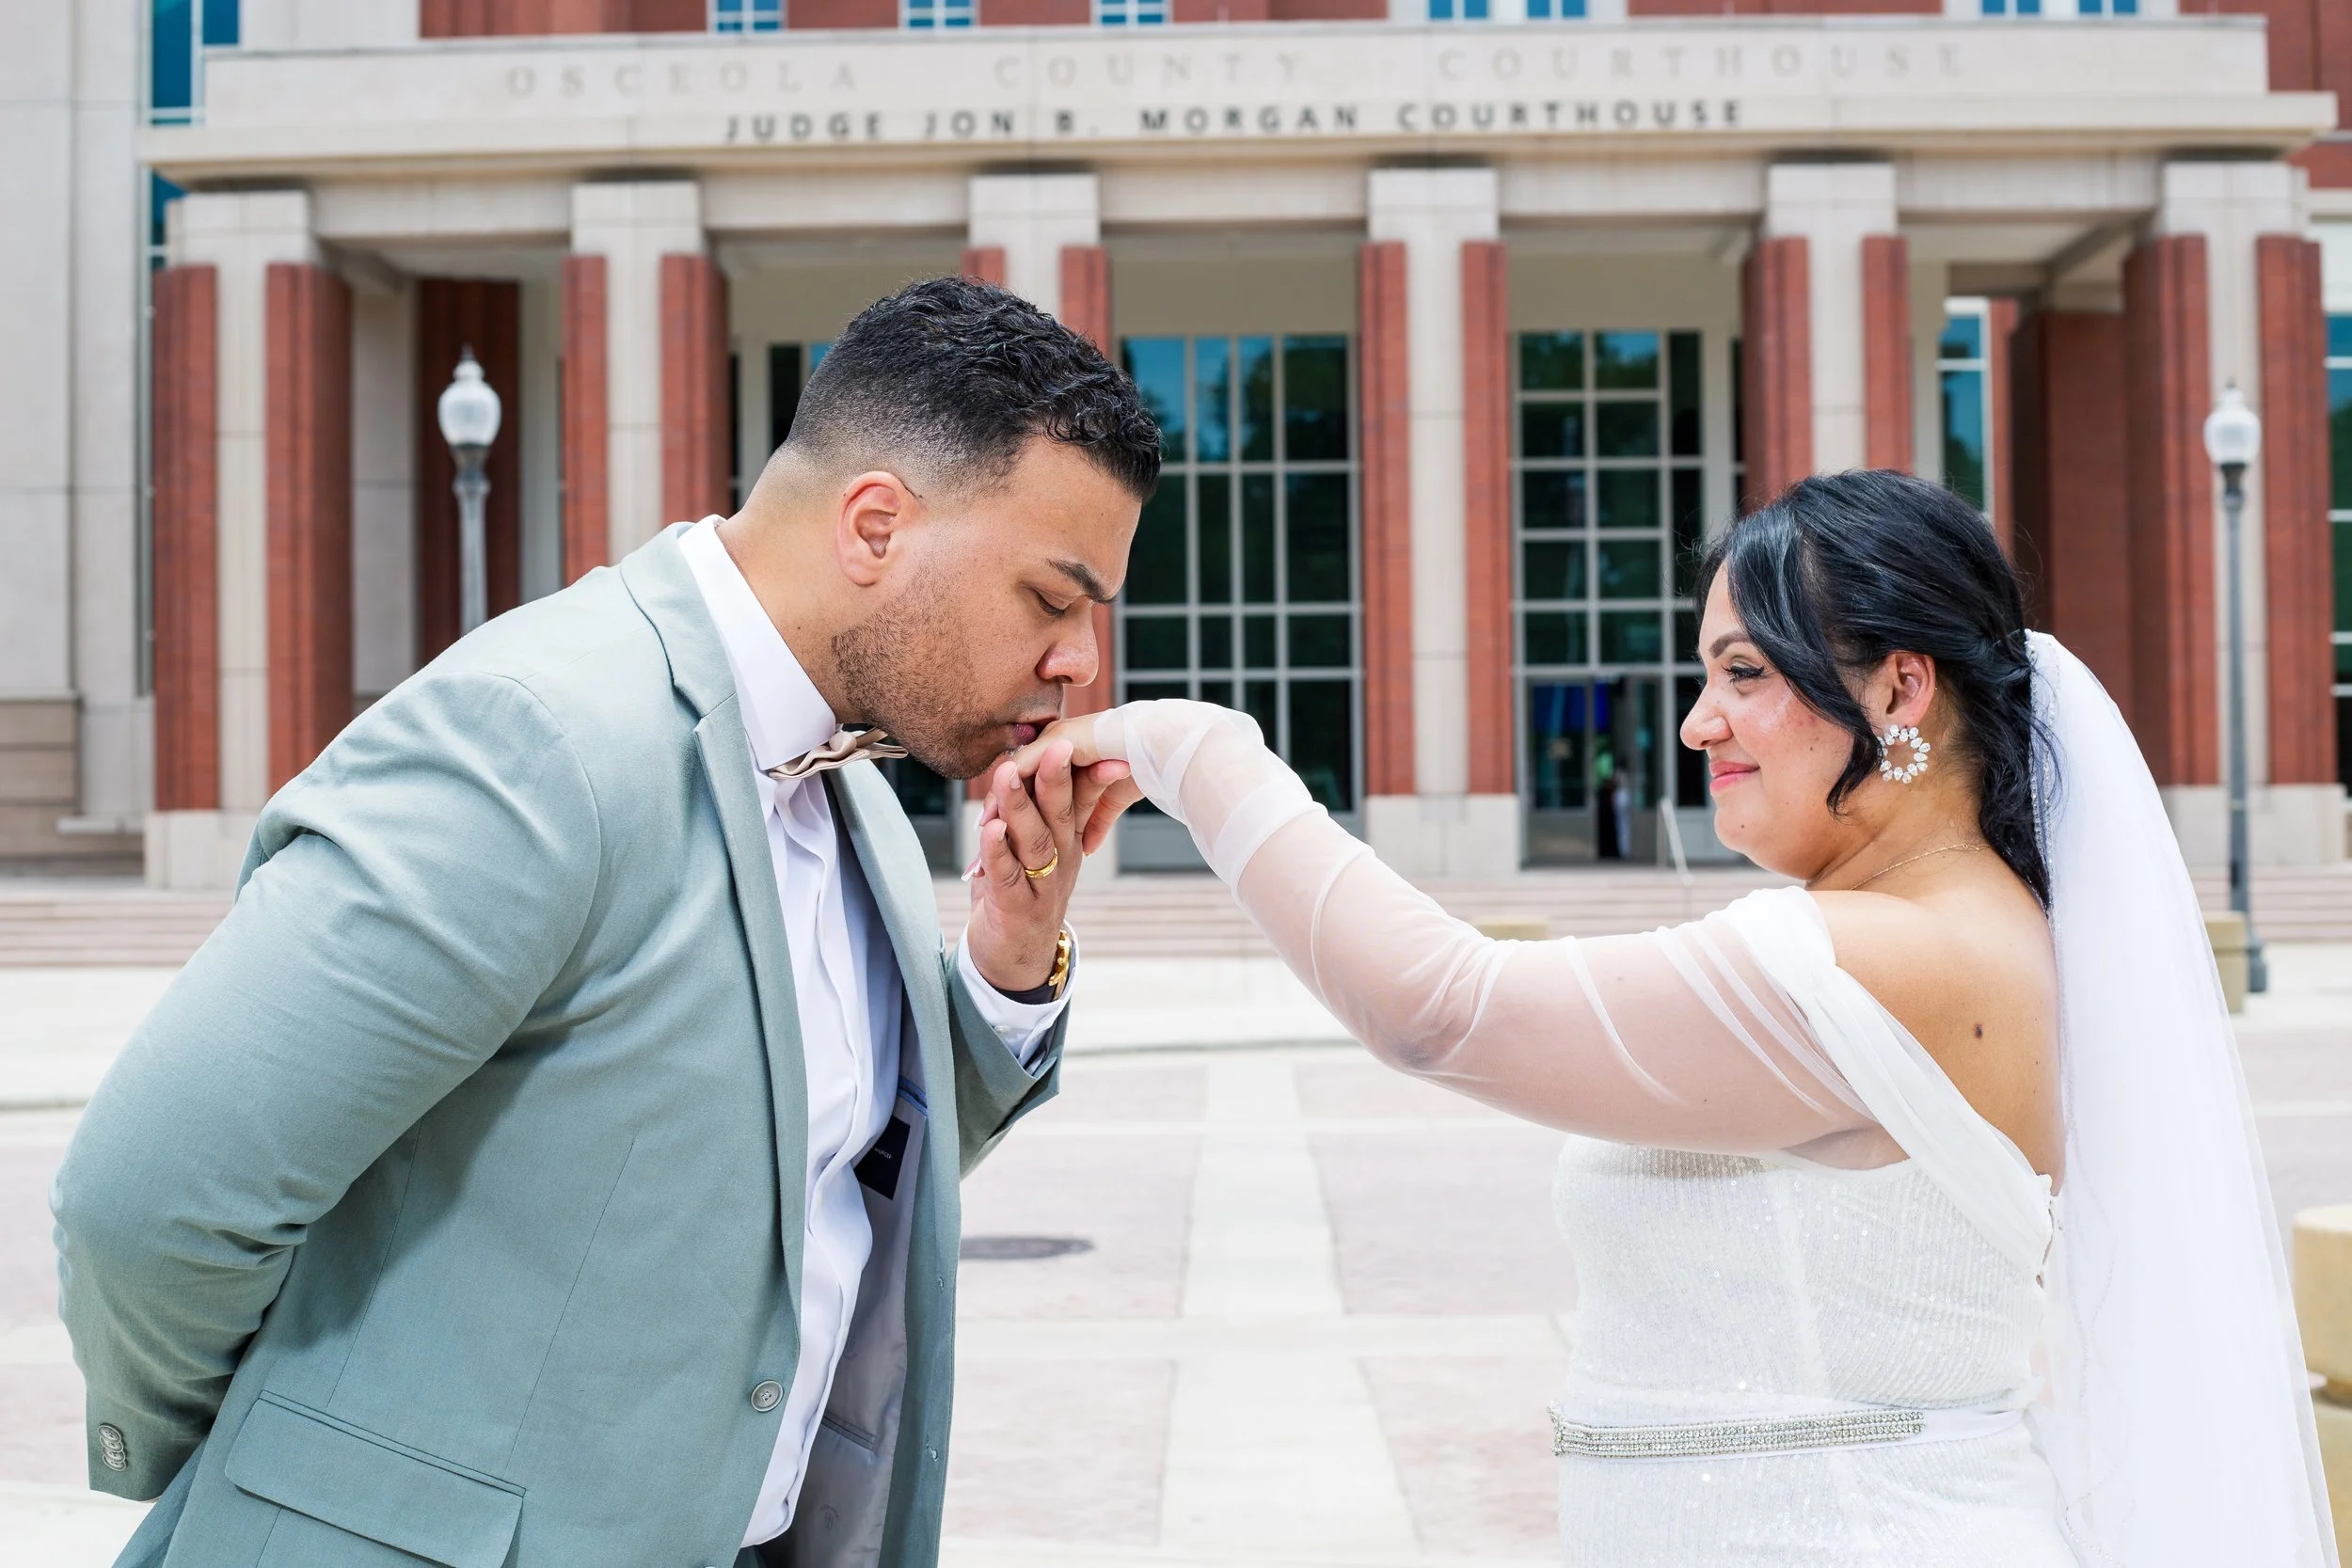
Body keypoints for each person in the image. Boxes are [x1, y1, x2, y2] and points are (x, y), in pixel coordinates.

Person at [1027, 470, 2336, 1566]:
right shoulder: (1963, 933)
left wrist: (1193, 754)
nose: (1700, 720)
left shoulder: (1884, 954)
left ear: (1898, 692)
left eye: (1746, 671)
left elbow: (1441, 1009)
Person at [53, 277, 1155, 1568]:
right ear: (874, 525)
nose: (1084, 660)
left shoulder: (852, 802)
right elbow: (149, 1204)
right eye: (1051, 596)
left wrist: (1010, 967)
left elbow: (799, 1175)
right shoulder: (539, 739)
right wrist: (300, 1466)